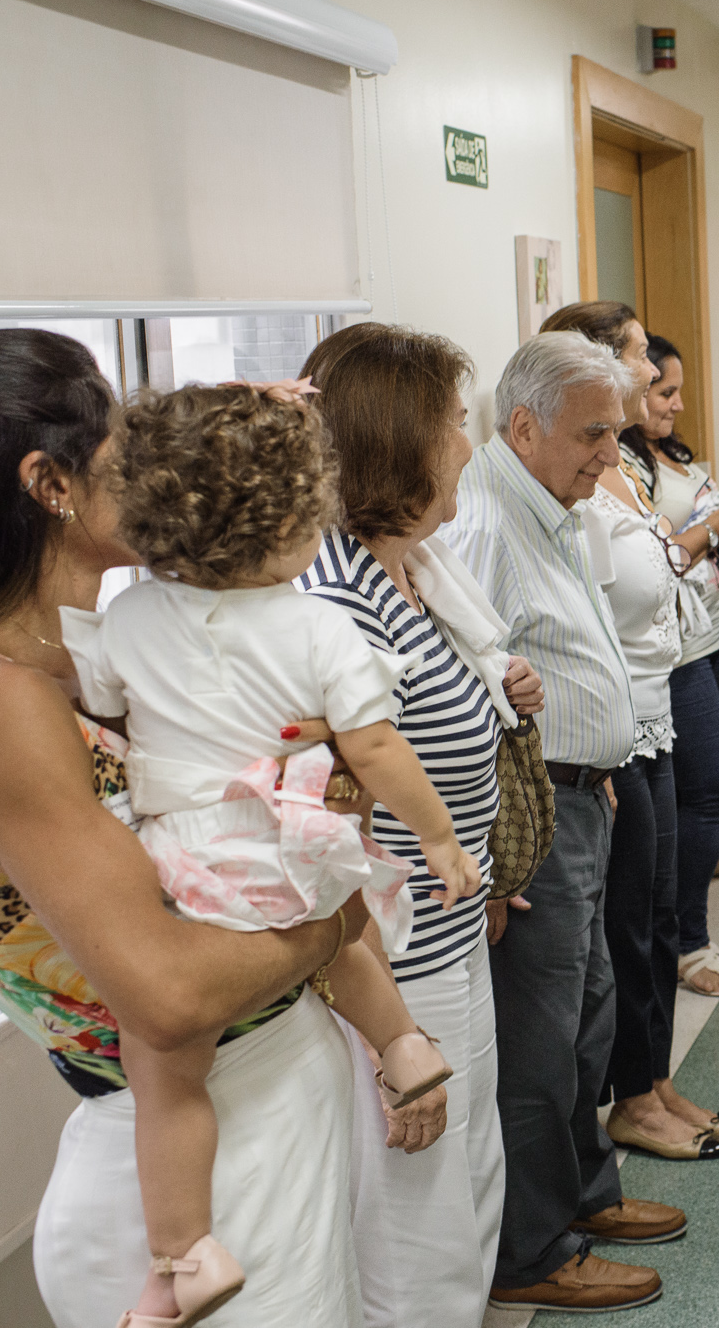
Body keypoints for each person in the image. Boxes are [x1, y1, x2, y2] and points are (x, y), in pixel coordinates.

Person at [0, 329, 362, 1328]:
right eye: (132, 444)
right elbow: (169, 995)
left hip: (266, 1114)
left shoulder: (94, 648)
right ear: (51, 483)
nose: (166, 471)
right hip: (180, 1191)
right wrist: (337, 918)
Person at [65, 382, 482, 1327]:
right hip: (293, 841)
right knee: (342, 934)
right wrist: (440, 837)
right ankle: (404, 1046)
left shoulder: (128, 616)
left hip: (189, 861)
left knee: (163, 1072)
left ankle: (183, 1250)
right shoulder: (318, 625)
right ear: (300, 519)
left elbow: (99, 708)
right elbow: (376, 749)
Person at [296, 322, 545, 1328]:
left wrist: (476, 861)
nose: (466, 444)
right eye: (452, 422)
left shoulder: (413, 571)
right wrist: (381, 1024)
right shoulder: (336, 599)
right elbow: (320, 824)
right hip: (389, 964)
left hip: (448, 932)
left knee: (466, 1192)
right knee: (418, 1239)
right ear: (398, 443)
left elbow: (429, 741)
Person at [439, 331, 682, 1315]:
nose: (610, 458)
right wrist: (508, 842)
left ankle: (585, 1196)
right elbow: (461, 696)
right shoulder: (483, 523)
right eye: (593, 436)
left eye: (618, 435)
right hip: (532, 822)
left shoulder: (552, 502)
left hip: (582, 790)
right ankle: (534, 1247)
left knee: (586, 1010)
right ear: (524, 425)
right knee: (540, 1039)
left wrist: (597, 763)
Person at [573, 322, 719, 1159]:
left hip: (656, 709)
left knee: (654, 912)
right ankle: (633, 1099)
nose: (654, 370)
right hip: (620, 726)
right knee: (631, 927)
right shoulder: (579, 484)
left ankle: (657, 1082)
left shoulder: (632, 468)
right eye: (641, 353)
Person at [627, 332, 719, 999]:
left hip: (705, 639)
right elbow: (658, 557)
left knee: (692, 795)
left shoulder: (664, 454)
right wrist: (714, 529)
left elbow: (697, 518)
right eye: (664, 391)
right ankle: (685, 942)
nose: (678, 404)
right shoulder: (615, 473)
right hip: (670, 656)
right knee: (712, 788)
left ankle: (689, 935)